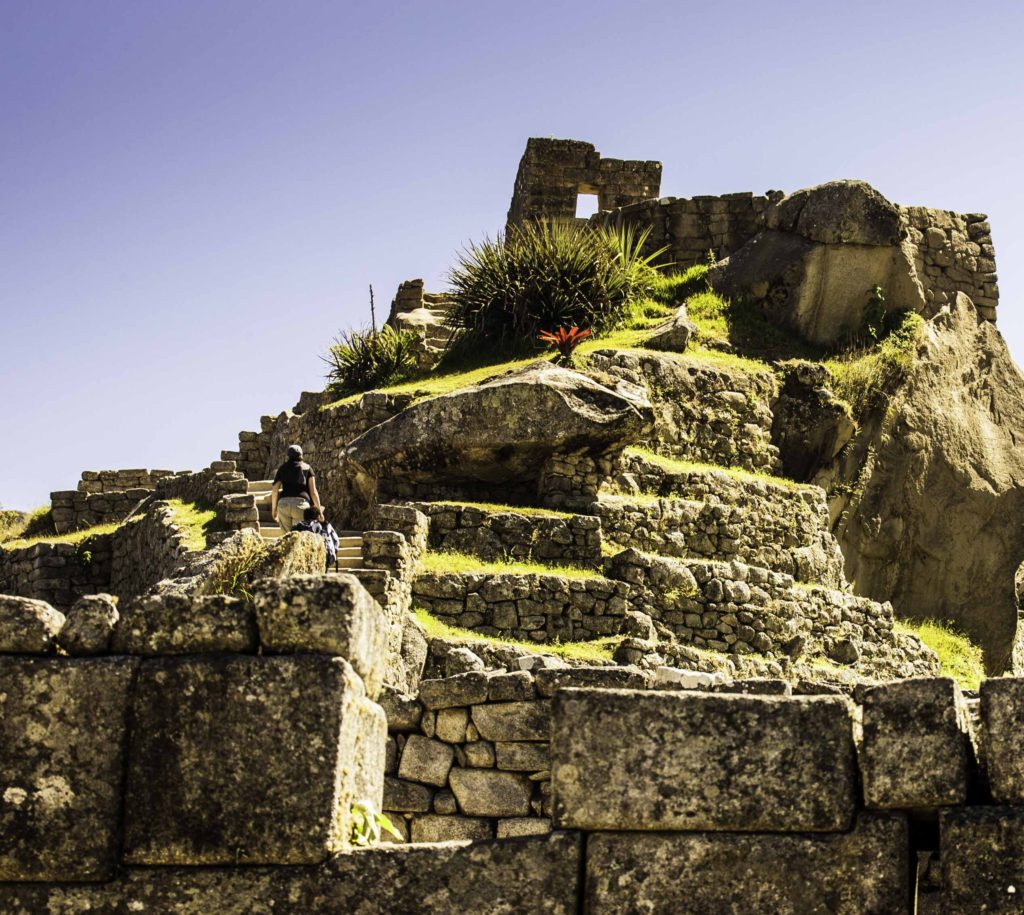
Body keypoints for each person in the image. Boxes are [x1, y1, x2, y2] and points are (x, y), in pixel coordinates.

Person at [271, 444, 323, 535]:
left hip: (283, 504)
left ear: (288, 455)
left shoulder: (282, 468)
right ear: (301, 455)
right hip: (301, 505)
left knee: (287, 538)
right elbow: (313, 492)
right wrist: (319, 512)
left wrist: (274, 509)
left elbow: (275, 490)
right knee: (300, 537)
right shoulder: (307, 468)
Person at [293, 506, 341, 571]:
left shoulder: (299, 526)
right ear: (318, 516)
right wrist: (334, 554)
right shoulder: (326, 526)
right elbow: (336, 541)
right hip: (324, 558)